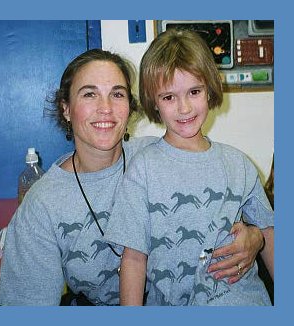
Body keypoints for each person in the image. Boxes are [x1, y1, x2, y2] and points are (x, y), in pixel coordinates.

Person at [0, 48, 265, 306]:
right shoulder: (42, 205)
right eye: (90, 94)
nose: (106, 108)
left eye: (117, 94)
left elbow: (224, 200)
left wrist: (255, 237)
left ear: (131, 106)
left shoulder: (163, 154)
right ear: (66, 108)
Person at [104, 30, 274, 306]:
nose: (184, 108)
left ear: (209, 90)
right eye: (169, 97)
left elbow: (268, 232)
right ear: (154, 102)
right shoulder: (142, 170)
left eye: (194, 92)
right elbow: (134, 258)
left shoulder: (238, 164)